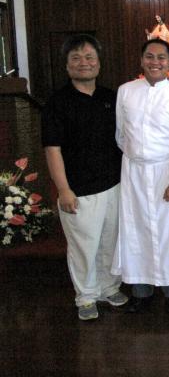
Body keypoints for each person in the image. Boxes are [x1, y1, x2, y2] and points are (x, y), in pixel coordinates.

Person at [42, 34, 127, 321]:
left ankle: (108, 287)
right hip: (78, 190)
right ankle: (86, 296)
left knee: (109, 242)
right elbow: (53, 150)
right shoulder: (57, 103)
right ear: (66, 66)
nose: (84, 63)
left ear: (99, 64)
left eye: (90, 57)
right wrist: (63, 189)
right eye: (76, 58)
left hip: (113, 185)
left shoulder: (110, 98)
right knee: (83, 247)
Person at [112, 38, 169, 313]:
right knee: (135, 231)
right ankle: (141, 291)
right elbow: (121, 134)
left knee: (167, 233)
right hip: (134, 171)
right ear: (141, 60)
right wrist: (137, 157)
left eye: (162, 58)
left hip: (165, 171)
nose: (155, 62)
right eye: (150, 56)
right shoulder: (125, 91)